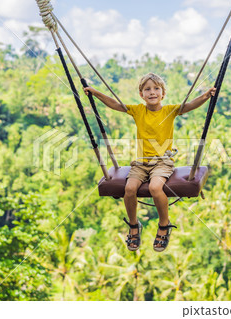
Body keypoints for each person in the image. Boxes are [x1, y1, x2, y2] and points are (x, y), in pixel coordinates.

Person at [84, 73, 216, 252]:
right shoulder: (138, 110)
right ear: (141, 94)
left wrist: (206, 96)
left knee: (155, 188)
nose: (152, 92)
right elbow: (115, 104)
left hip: (162, 162)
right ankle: (133, 225)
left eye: (156, 89)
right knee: (129, 189)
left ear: (163, 94)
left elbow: (189, 105)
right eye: (147, 89)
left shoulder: (169, 110)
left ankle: (164, 224)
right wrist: (95, 93)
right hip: (141, 163)